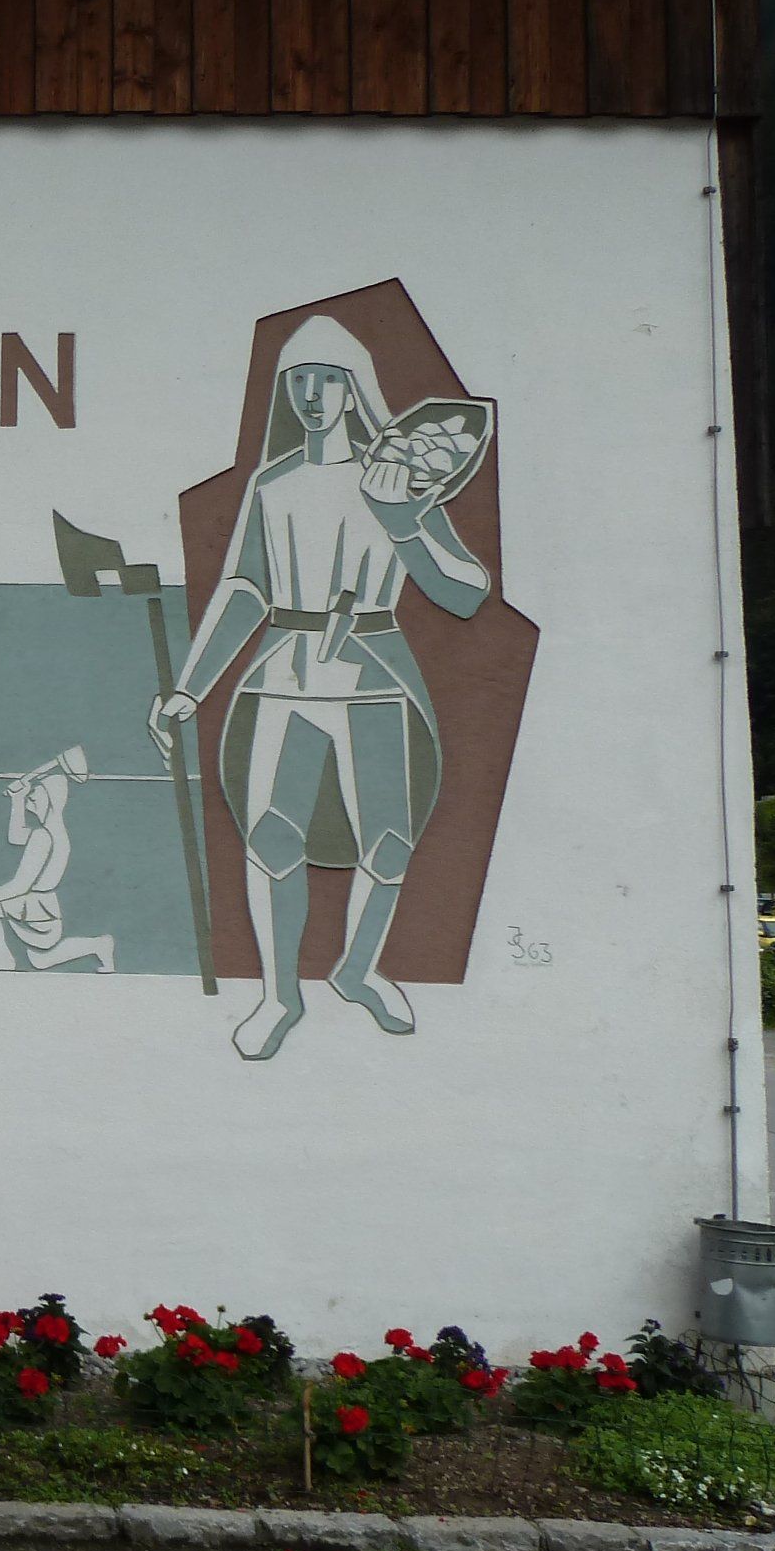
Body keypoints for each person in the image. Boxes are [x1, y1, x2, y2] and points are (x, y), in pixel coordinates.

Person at [149, 314, 490, 1060]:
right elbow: (245, 589)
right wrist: (190, 688)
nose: (311, 394)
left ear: (354, 388)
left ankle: (358, 970)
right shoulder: (273, 485)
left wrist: (402, 522)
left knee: (389, 841)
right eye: (298, 380)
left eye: (327, 379)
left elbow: (465, 591)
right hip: (286, 671)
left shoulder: (395, 479)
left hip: (374, 672)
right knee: (272, 835)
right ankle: (279, 995)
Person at [0, 748, 114, 972]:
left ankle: (1, 957)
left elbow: (21, 885)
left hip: (35, 909)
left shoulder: (42, 836)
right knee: (40, 960)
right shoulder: (55, 833)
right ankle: (98, 945)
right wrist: (18, 799)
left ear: (49, 798)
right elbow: (16, 837)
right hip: (45, 909)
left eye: (36, 791)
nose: (32, 794)